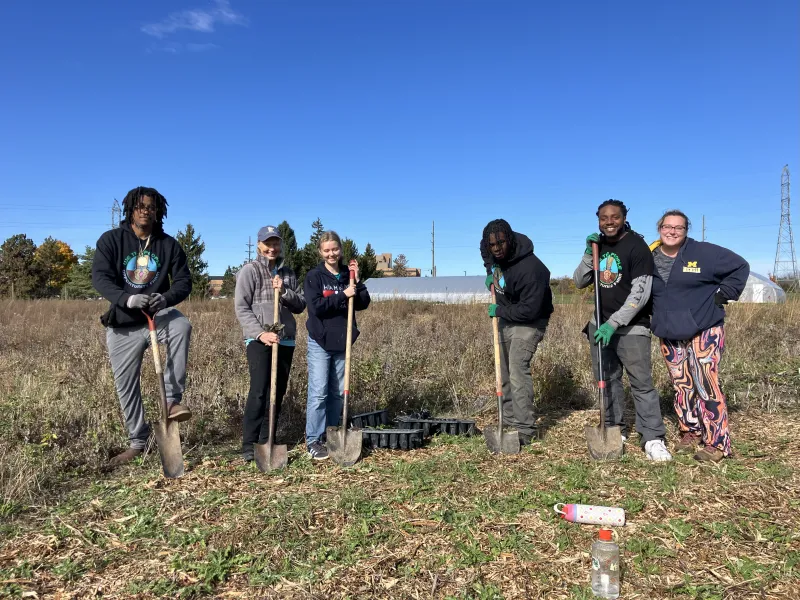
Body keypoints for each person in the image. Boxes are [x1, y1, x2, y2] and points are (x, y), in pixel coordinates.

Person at [92, 186, 193, 468]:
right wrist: (127, 298)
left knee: (181, 325)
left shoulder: (168, 244)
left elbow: (184, 281)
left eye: (151, 207)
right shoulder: (111, 240)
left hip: (157, 316)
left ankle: (172, 402)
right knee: (126, 386)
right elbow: (100, 277)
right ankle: (138, 441)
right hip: (123, 323)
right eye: (140, 206)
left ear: (158, 211)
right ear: (130, 209)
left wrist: (166, 298)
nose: (145, 211)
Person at [573, 199, 672, 461]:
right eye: (604, 218)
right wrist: (587, 253)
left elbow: (640, 293)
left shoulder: (636, 246)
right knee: (608, 382)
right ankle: (615, 427)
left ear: (623, 217)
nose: (609, 222)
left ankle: (652, 437)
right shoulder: (597, 245)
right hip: (599, 327)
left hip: (631, 328)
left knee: (641, 384)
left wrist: (614, 322)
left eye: (614, 217)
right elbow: (580, 281)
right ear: (598, 220)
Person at [650, 210, 749, 462]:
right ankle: (691, 431)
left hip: (704, 327)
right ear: (659, 228)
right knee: (682, 385)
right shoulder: (650, 256)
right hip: (669, 331)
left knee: (705, 383)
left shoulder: (704, 253)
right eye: (667, 226)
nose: (672, 231)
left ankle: (717, 442)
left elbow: (740, 266)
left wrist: (722, 294)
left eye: (679, 228)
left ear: (686, 231)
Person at [234, 225, 306, 463]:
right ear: (259, 246)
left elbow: (300, 305)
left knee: (278, 391)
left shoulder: (288, 273)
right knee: (259, 391)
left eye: (276, 243)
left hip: (285, 340)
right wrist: (260, 333)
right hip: (259, 340)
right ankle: (249, 443)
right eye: (268, 243)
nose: (272, 248)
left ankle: (268, 439)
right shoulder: (249, 271)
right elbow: (242, 308)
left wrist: (284, 291)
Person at [480, 219, 553, 445]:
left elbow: (530, 310)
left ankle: (525, 429)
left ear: (509, 240)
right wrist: (489, 270)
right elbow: (485, 254)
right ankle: (509, 419)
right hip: (505, 317)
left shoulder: (532, 269)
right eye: (492, 244)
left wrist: (500, 309)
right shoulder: (489, 248)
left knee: (517, 371)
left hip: (530, 321)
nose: (496, 249)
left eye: (500, 243)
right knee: (503, 369)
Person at [304, 231, 370, 460]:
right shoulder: (314, 276)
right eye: (326, 250)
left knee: (337, 393)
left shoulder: (346, 274)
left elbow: (363, 303)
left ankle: (332, 434)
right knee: (319, 392)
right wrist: (343, 294)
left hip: (343, 342)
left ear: (340, 249)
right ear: (321, 252)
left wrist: (357, 281)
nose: (331, 253)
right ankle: (313, 439)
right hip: (320, 341)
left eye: (335, 249)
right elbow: (316, 307)